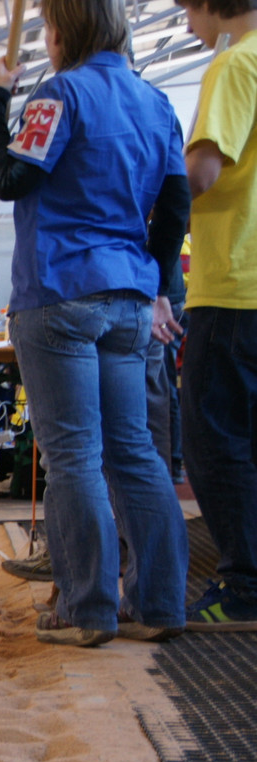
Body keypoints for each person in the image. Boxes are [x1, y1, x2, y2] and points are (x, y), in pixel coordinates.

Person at [0, 0, 190, 646]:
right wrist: (155, 286)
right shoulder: (155, 103)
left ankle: (86, 607)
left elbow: (10, 176)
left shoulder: (59, 93)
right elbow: (175, 207)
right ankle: (156, 603)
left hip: (60, 289)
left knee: (73, 455)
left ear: (61, 32)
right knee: (134, 452)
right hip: (128, 295)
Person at [175, 0, 257, 630]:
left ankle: (244, 587)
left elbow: (200, 173)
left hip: (232, 281)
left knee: (212, 441)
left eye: (187, 10)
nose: (185, 25)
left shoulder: (233, 65)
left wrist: (139, 198)